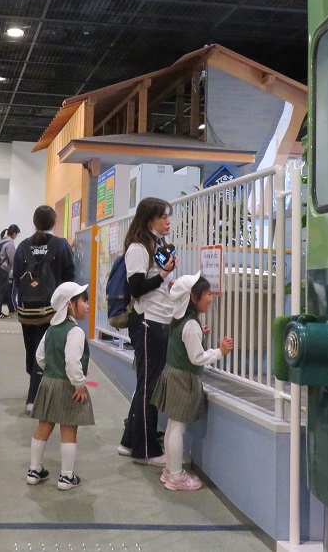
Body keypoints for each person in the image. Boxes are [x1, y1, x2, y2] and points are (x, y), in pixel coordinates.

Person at [152, 274, 233, 491]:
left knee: (173, 425)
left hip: (173, 374)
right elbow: (197, 358)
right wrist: (220, 351)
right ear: (193, 298)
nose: (210, 298)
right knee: (177, 428)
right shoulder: (191, 325)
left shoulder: (181, 321)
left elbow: (186, 342)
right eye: (207, 294)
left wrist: (200, 334)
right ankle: (176, 477)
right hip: (183, 380)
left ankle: (170, 470)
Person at [118, 197, 176, 466]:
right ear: (149, 219)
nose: (168, 221)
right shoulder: (138, 248)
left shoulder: (156, 244)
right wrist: (163, 276)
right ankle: (146, 450)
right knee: (148, 386)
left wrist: (166, 280)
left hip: (157, 319)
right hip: (146, 321)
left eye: (168, 216)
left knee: (147, 384)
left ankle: (130, 441)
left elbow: (155, 283)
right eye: (163, 216)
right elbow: (137, 287)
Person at [27, 282, 93, 491]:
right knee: (69, 428)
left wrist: (51, 371)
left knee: (43, 426)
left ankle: (34, 470)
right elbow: (72, 361)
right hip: (68, 385)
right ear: (69, 305)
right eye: (84, 301)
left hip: (48, 383)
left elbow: (40, 357)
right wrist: (79, 384)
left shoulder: (51, 330)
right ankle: (66, 476)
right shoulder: (75, 332)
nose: (87, 306)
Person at [13, 206, 75, 413]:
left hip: (27, 310)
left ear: (34, 222)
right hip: (51, 309)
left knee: (32, 350)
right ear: (54, 222)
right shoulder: (61, 245)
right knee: (45, 351)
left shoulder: (23, 246)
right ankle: (34, 397)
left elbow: (17, 276)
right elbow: (69, 276)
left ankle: (34, 386)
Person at [0, 224, 20, 318]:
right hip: (3, 270)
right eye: (17, 234)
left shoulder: (1, 241)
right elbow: (13, 259)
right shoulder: (10, 244)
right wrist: (17, 270)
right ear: (14, 233)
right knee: (1, 291)